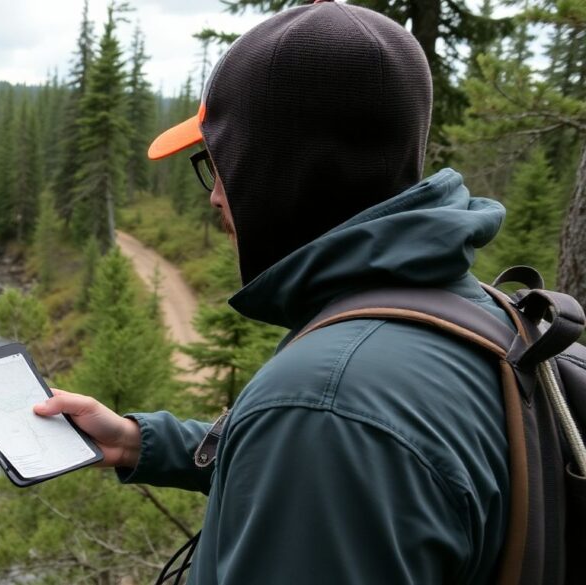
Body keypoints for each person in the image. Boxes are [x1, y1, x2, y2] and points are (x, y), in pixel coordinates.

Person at [33, 1, 513, 583]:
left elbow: (328, 437)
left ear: (279, 170)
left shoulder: (325, 403)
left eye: (217, 163)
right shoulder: (475, 315)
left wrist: (297, 414)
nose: (213, 197)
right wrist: (140, 443)